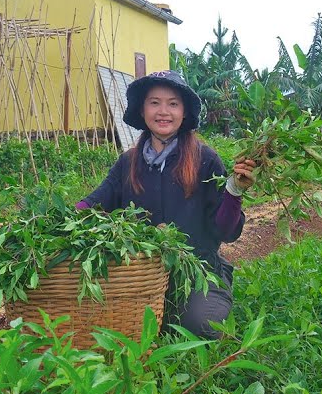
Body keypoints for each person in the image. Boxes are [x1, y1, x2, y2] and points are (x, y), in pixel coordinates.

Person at [77, 70, 254, 339]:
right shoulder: (128, 162)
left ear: (184, 112)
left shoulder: (205, 159)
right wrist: (57, 220)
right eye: (154, 102)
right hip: (140, 275)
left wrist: (234, 190)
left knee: (200, 327)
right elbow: (94, 204)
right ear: (143, 109)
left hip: (198, 271)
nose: (163, 111)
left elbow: (226, 231)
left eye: (173, 103)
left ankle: (202, 301)